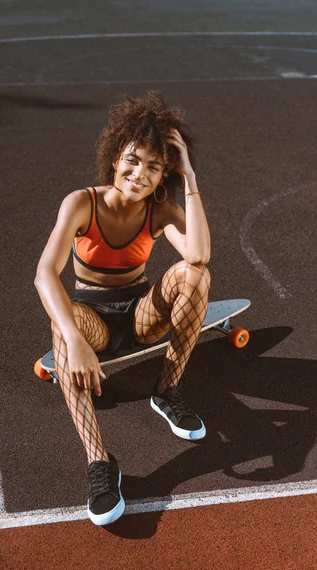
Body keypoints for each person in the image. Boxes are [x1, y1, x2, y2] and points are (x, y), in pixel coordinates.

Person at [34, 90, 211, 526]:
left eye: (154, 167)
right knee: (62, 325)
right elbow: (44, 274)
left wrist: (188, 177)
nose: (139, 173)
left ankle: (167, 392)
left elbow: (199, 254)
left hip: (141, 314)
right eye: (133, 160)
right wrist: (74, 340)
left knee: (195, 276)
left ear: (161, 175)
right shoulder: (82, 203)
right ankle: (100, 463)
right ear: (115, 158)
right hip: (92, 319)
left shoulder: (159, 211)